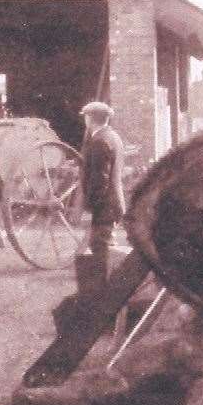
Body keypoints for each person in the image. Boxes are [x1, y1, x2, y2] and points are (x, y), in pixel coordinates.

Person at [78, 101, 125, 293]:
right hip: (113, 202)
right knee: (107, 248)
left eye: (86, 117)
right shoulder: (113, 137)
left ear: (90, 119)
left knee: (101, 251)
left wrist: (89, 208)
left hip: (103, 205)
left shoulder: (99, 142)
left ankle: (106, 295)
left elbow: (99, 180)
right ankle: (109, 290)